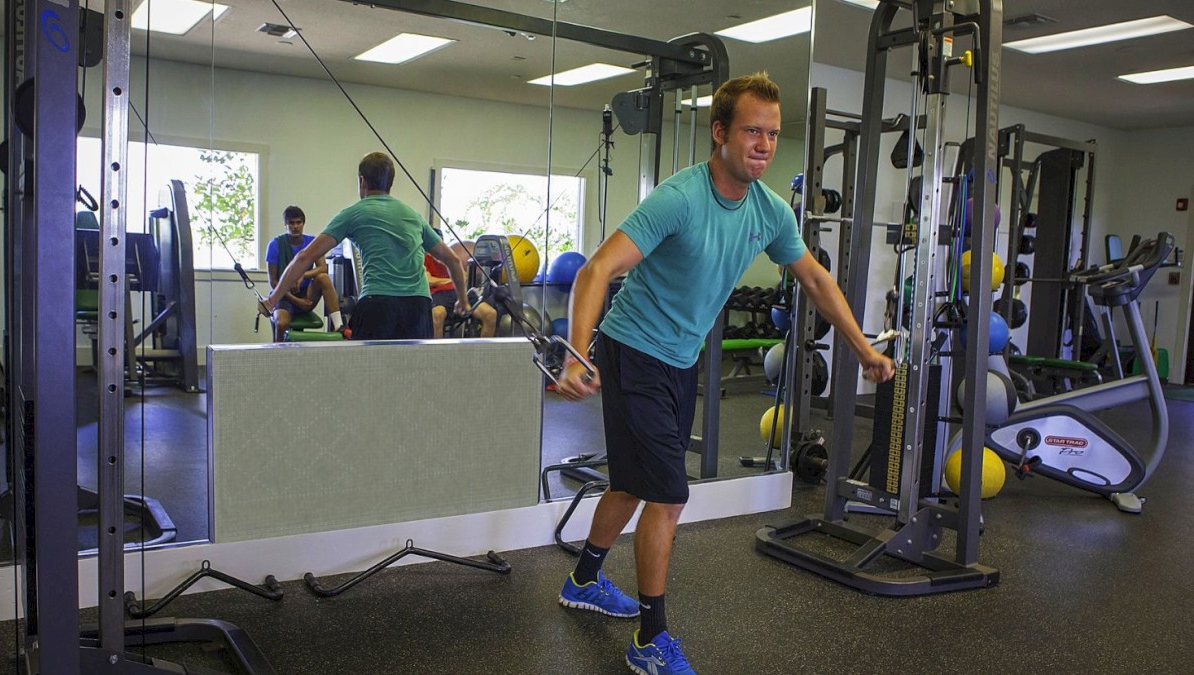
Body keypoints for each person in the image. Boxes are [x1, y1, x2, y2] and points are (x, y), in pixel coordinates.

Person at [553, 72, 896, 675]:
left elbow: (814, 278)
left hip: (680, 360)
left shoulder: (768, 211)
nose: (764, 144)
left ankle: (583, 578)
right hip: (633, 350)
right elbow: (595, 270)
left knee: (634, 482)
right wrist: (577, 351)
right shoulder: (680, 197)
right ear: (720, 134)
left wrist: (861, 346)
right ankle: (650, 638)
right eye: (751, 132)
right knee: (668, 493)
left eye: (771, 134)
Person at [264, 152, 469, 340]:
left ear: (362, 181)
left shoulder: (353, 213)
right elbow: (452, 259)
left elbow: (304, 258)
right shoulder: (413, 215)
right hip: (418, 305)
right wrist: (462, 300)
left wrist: (272, 299)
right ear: (390, 183)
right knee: (412, 373)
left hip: (379, 303)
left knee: (366, 372)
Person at [265, 205, 345, 342]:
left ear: (303, 224)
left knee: (323, 278)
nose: (295, 226)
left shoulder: (312, 242)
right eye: (291, 223)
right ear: (285, 225)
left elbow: (322, 268)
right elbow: (273, 282)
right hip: (285, 296)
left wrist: (303, 275)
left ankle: (339, 325)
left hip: (306, 294)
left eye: (298, 222)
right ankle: (278, 352)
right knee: (281, 324)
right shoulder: (275, 245)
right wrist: (296, 300)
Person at [425, 233, 498, 338]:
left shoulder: (448, 255)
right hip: (438, 294)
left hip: (459, 292)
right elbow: (429, 280)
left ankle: (482, 352)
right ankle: (437, 354)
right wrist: (452, 279)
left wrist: (451, 280)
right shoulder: (422, 257)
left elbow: (463, 276)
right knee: (437, 315)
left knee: (490, 314)